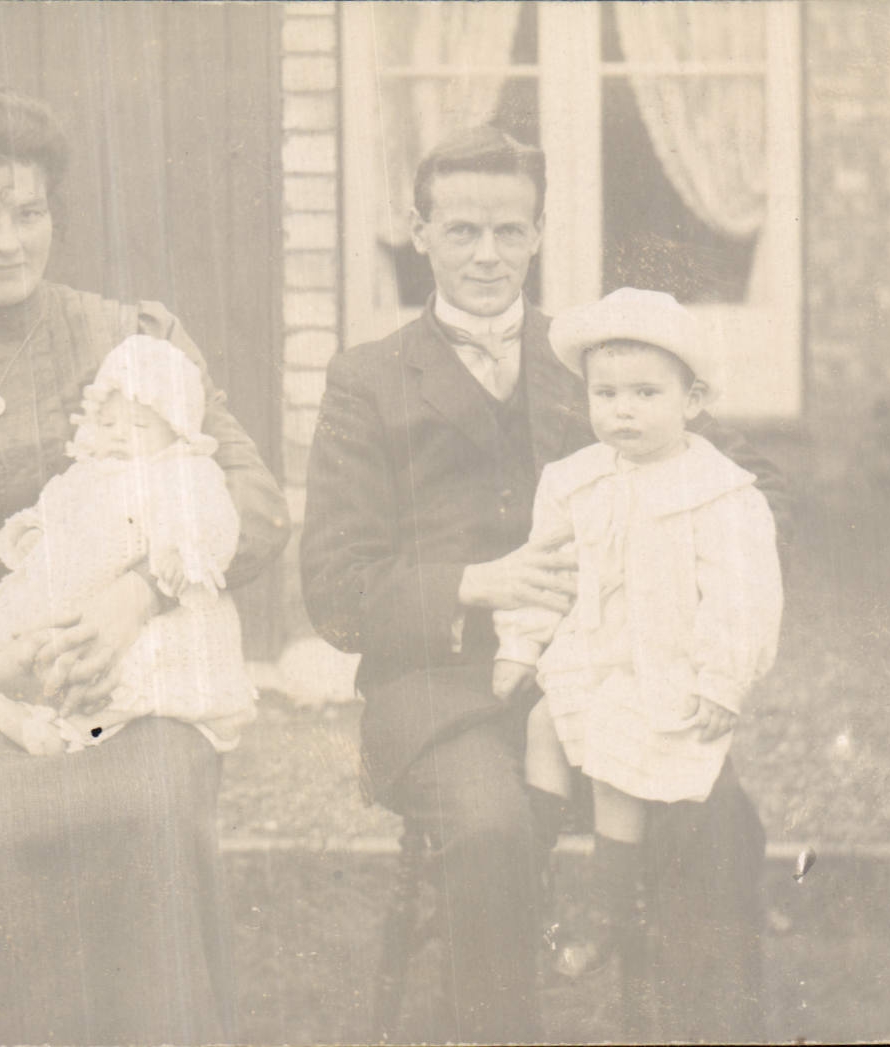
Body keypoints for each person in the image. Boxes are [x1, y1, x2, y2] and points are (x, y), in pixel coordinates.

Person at [300, 125, 790, 1042]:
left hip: (607, 678)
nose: (487, 254)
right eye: (461, 231)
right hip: (437, 688)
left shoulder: (598, 355)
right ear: (420, 231)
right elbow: (333, 588)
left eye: (508, 231)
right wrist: (478, 583)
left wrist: (675, 568)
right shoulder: (366, 379)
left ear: (536, 235)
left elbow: (743, 478)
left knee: (716, 816)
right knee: (491, 831)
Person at [0, 86, 287, 1045]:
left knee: (145, 815)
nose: (7, 240)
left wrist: (137, 593)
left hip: (136, 657)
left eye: (27, 213)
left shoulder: (135, 342)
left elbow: (255, 505)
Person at [493, 287, 783, 980]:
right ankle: (528, 880)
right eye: (606, 393)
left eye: (646, 393)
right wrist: (519, 645)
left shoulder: (717, 490)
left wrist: (721, 677)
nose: (622, 410)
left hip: (667, 664)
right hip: (591, 652)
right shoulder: (575, 480)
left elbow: (743, 596)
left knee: (619, 762)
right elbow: (545, 571)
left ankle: (607, 908)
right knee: (539, 720)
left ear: (691, 401)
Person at [0, 333, 257, 755]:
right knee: (21, 645)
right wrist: (34, 534)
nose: (121, 436)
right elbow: (52, 509)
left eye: (140, 425)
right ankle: (21, 715)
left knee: (137, 665)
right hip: (69, 593)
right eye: (109, 424)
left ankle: (81, 726)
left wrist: (185, 553)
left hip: (142, 611)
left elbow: (213, 519)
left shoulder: (184, 473)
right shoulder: (84, 474)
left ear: (175, 428)